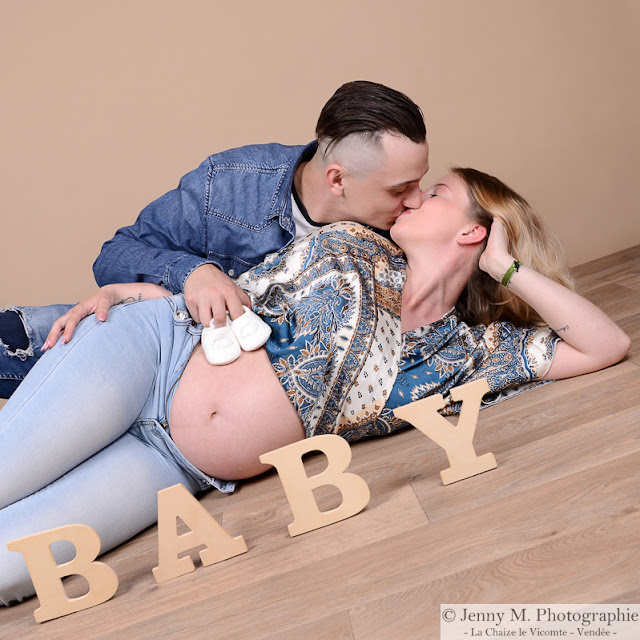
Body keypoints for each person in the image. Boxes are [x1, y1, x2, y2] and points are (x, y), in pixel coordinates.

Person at [0, 168, 630, 605]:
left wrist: (505, 266)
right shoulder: (349, 243)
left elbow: (606, 346)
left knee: (11, 568)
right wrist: (125, 294)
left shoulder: (471, 353)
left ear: (475, 232)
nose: (412, 199)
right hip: (150, 354)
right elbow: (238, 290)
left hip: (173, 464)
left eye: (436, 193)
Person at [0, 80, 430, 398]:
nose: (417, 200)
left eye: (420, 183)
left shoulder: (405, 230)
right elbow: (114, 256)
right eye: (399, 189)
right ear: (337, 178)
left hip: (210, 399)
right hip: (155, 348)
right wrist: (195, 273)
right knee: (19, 340)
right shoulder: (228, 184)